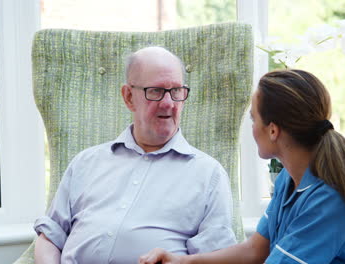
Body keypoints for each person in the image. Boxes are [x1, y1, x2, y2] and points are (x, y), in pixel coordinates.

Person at [139, 69, 345, 264]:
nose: (251, 128)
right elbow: (255, 251)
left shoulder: (329, 201)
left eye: (253, 118)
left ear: (272, 130)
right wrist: (182, 260)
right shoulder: (288, 180)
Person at [34, 47, 237, 263]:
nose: (168, 103)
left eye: (176, 91)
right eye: (156, 91)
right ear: (128, 97)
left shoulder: (209, 175)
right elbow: (50, 236)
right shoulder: (86, 162)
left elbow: (216, 259)